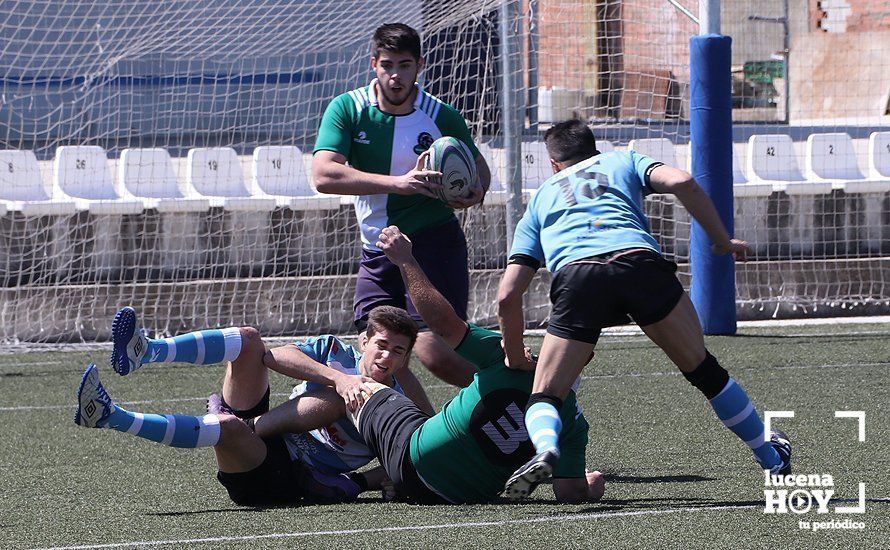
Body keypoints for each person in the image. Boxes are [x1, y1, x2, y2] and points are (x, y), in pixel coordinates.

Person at [496, 119, 792, 499]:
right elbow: (683, 181)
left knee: (546, 396)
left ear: (553, 164)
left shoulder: (539, 200)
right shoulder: (623, 160)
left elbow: (507, 295)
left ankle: (546, 448)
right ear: (594, 149)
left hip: (578, 277)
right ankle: (770, 459)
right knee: (705, 371)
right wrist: (721, 241)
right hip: (638, 265)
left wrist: (513, 353)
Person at [264, 225, 604, 504]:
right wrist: (592, 485)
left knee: (357, 386)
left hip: (412, 459)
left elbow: (443, 324)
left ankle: (249, 428)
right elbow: (570, 493)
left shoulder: (509, 358)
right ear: (585, 359)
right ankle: (355, 482)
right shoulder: (574, 421)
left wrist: (406, 261)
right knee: (414, 417)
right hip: (457, 498)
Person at [75, 305, 429, 505]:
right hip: (268, 427)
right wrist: (338, 377)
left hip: (288, 477)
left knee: (230, 427)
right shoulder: (334, 352)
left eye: (398, 351)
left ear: (406, 357)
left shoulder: (394, 404)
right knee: (248, 341)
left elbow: (413, 457)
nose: (386, 356)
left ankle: (110, 417)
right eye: (381, 344)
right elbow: (275, 357)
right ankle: (148, 351)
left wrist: (358, 482)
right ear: (363, 340)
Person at [312, 22, 492, 389]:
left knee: (433, 351)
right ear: (373, 63)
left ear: (419, 65)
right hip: (378, 247)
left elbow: (479, 170)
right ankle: (410, 437)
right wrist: (399, 184)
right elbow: (323, 176)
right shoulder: (348, 108)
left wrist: (474, 191)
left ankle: (518, 398)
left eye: (405, 65)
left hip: (433, 244)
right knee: (376, 354)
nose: (396, 76)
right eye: (388, 65)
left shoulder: (440, 114)